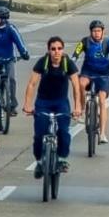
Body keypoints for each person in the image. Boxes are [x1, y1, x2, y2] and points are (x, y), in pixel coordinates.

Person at [23, 36, 81, 177]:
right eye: (53, 49)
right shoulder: (43, 63)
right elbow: (32, 84)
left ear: (63, 49)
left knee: (63, 132)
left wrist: (77, 106)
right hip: (43, 102)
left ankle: (61, 159)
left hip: (61, 102)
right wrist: (27, 105)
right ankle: (39, 161)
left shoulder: (68, 63)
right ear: (48, 50)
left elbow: (76, 85)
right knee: (39, 135)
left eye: (59, 49)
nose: (56, 52)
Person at [72, 20, 109, 144]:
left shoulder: (108, 42)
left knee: (102, 99)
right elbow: (75, 54)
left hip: (104, 75)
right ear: (90, 32)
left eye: (99, 31)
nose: (96, 33)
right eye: (94, 31)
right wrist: (70, 65)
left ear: (103, 31)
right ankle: (83, 110)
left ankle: (103, 133)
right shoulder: (84, 41)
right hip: (87, 72)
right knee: (81, 84)